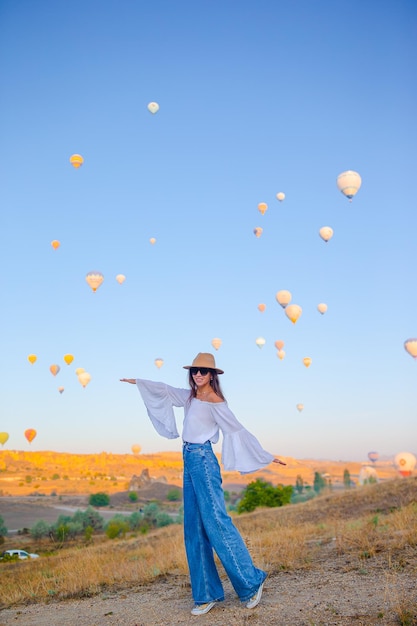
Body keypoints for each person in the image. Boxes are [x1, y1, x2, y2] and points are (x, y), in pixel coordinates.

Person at [120, 352, 286, 616]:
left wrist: (267, 456)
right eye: (195, 371)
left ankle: (251, 581)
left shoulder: (214, 401)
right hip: (188, 458)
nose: (198, 375)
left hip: (204, 460)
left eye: (203, 371)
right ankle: (205, 594)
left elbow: (237, 430)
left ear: (212, 376)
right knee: (194, 528)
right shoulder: (189, 396)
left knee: (216, 523)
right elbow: (164, 390)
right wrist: (137, 382)